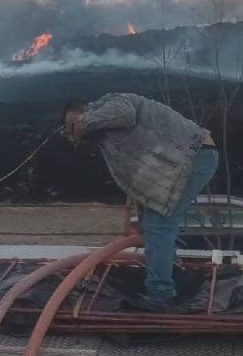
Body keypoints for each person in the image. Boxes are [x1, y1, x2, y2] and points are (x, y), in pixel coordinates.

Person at [63, 94, 218, 307]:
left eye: (71, 126)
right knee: (154, 226)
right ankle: (171, 276)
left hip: (193, 156)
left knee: (159, 226)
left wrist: (84, 122)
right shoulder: (105, 134)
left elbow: (125, 114)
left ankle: (160, 297)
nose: (74, 134)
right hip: (182, 161)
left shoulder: (111, 102)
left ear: (83, 112)